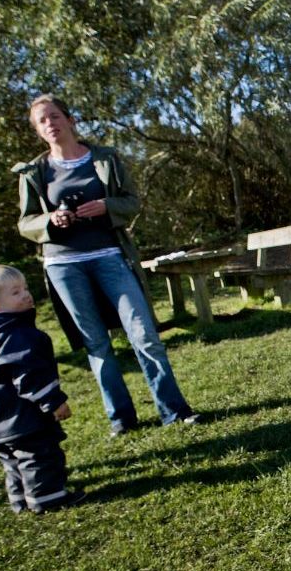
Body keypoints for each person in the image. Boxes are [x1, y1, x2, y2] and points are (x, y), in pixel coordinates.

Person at [15, 94, 199, 437]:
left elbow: (132, 202)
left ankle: (174, 410)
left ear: (71, 121)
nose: (50, 124)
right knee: (96, 344)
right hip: (63, 265)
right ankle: (121, 420)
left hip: (111, 257)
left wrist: (106, 206)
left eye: (54, 117)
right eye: (42, 121)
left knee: (144, 335)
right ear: (38, 131)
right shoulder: (33, 172)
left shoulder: (106, 159)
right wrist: (51, 221)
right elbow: (25, 223)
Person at [0, 265, 86, 513]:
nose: (26, 295)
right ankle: (47, 499)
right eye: (16, 292)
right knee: (39, 455)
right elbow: (30, 376)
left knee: (12, 460)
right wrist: (54, 402)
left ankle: (19, 500)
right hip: (20, 416)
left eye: (25, 288)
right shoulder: (18, 335)